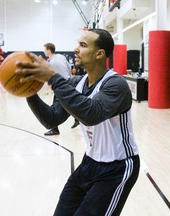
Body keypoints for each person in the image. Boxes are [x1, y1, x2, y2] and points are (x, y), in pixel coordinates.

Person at [16, 29, 140, 215]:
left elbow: (91, 114)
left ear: (100, 54)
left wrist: (53, 78)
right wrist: (30, 92)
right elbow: (52, 119)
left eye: (82, 45)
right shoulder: (76, 83)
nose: (75, 49)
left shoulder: (116, 85)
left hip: (117, 168)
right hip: (89, 162)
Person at [43, 43, 72, 136]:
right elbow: (69, 67)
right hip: (69, 82)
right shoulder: (61, 56)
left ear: (48, 50)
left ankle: (54, 129)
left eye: (44, 50)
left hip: (60, 86)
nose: (44, 51)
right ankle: (78, 119)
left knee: (55, 108)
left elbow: (47, 76)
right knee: (71, 104)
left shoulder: (51, 63)